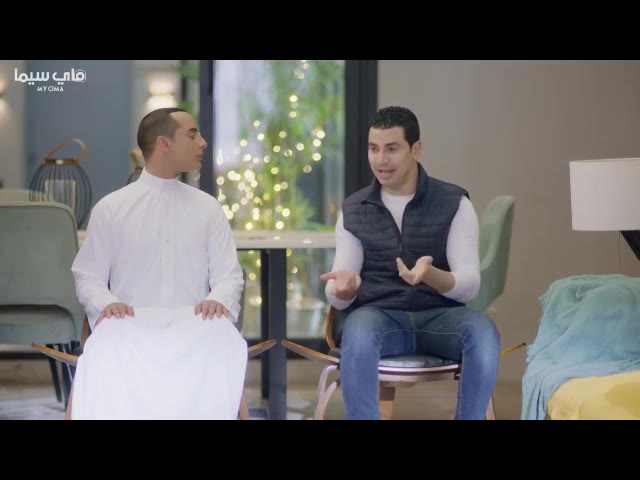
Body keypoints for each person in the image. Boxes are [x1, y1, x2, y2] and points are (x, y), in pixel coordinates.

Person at [320, 106, 500, 420]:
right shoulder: (354, 209)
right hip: (380, 317)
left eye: (392, 149)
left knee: (483, 332)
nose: (380, 160)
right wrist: (344, 290)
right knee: (357, 331)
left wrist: (431, 275)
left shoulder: (454, 203)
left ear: (415, 149)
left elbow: (470, 286)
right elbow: (339, 291)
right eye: (373, 149)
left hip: (441, 319)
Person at [68, 107, 247, 420]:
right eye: (192, 135)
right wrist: (107, 304)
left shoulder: (208, 208)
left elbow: (229, 276)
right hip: (129, 325)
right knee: (106, 342)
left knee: (222, 335)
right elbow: (88, 276)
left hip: (196, 325)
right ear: (164, 143)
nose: (203, 143)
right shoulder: (111, 209)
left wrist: (217, 300)